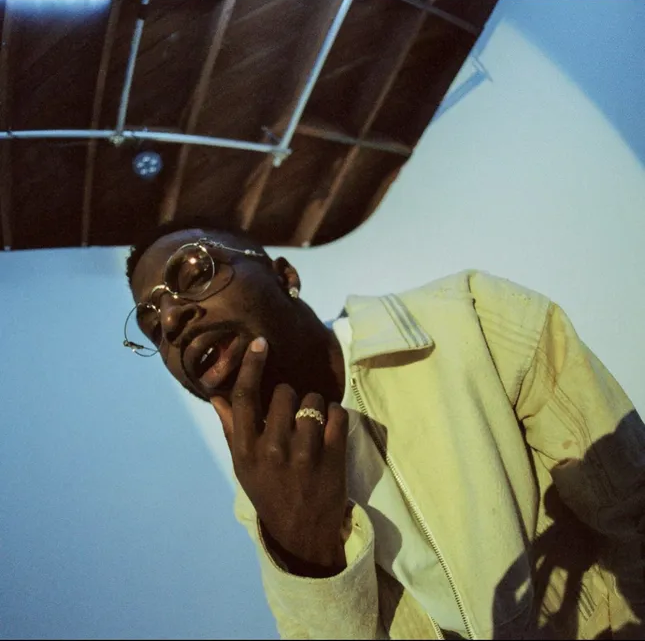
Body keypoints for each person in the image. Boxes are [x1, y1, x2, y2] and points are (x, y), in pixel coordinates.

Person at [124, 216, 644, 640]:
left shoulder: (473, 319)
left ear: (285, 277)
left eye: (194, 272)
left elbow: (633, 518)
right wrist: (307, 560)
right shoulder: (258, 499)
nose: (170, 320)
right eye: (150, 325)